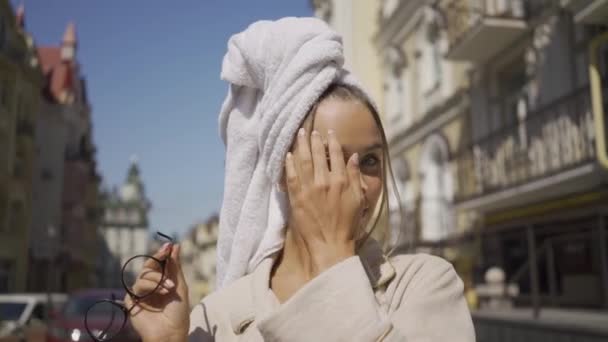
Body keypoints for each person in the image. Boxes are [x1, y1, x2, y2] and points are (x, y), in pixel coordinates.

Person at [125, 18, 475, 342]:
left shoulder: (423, 284)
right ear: (281, 173)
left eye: (369, 161)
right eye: (328, 162)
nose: (353, 185)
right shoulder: (216, 314)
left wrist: (332, 258)